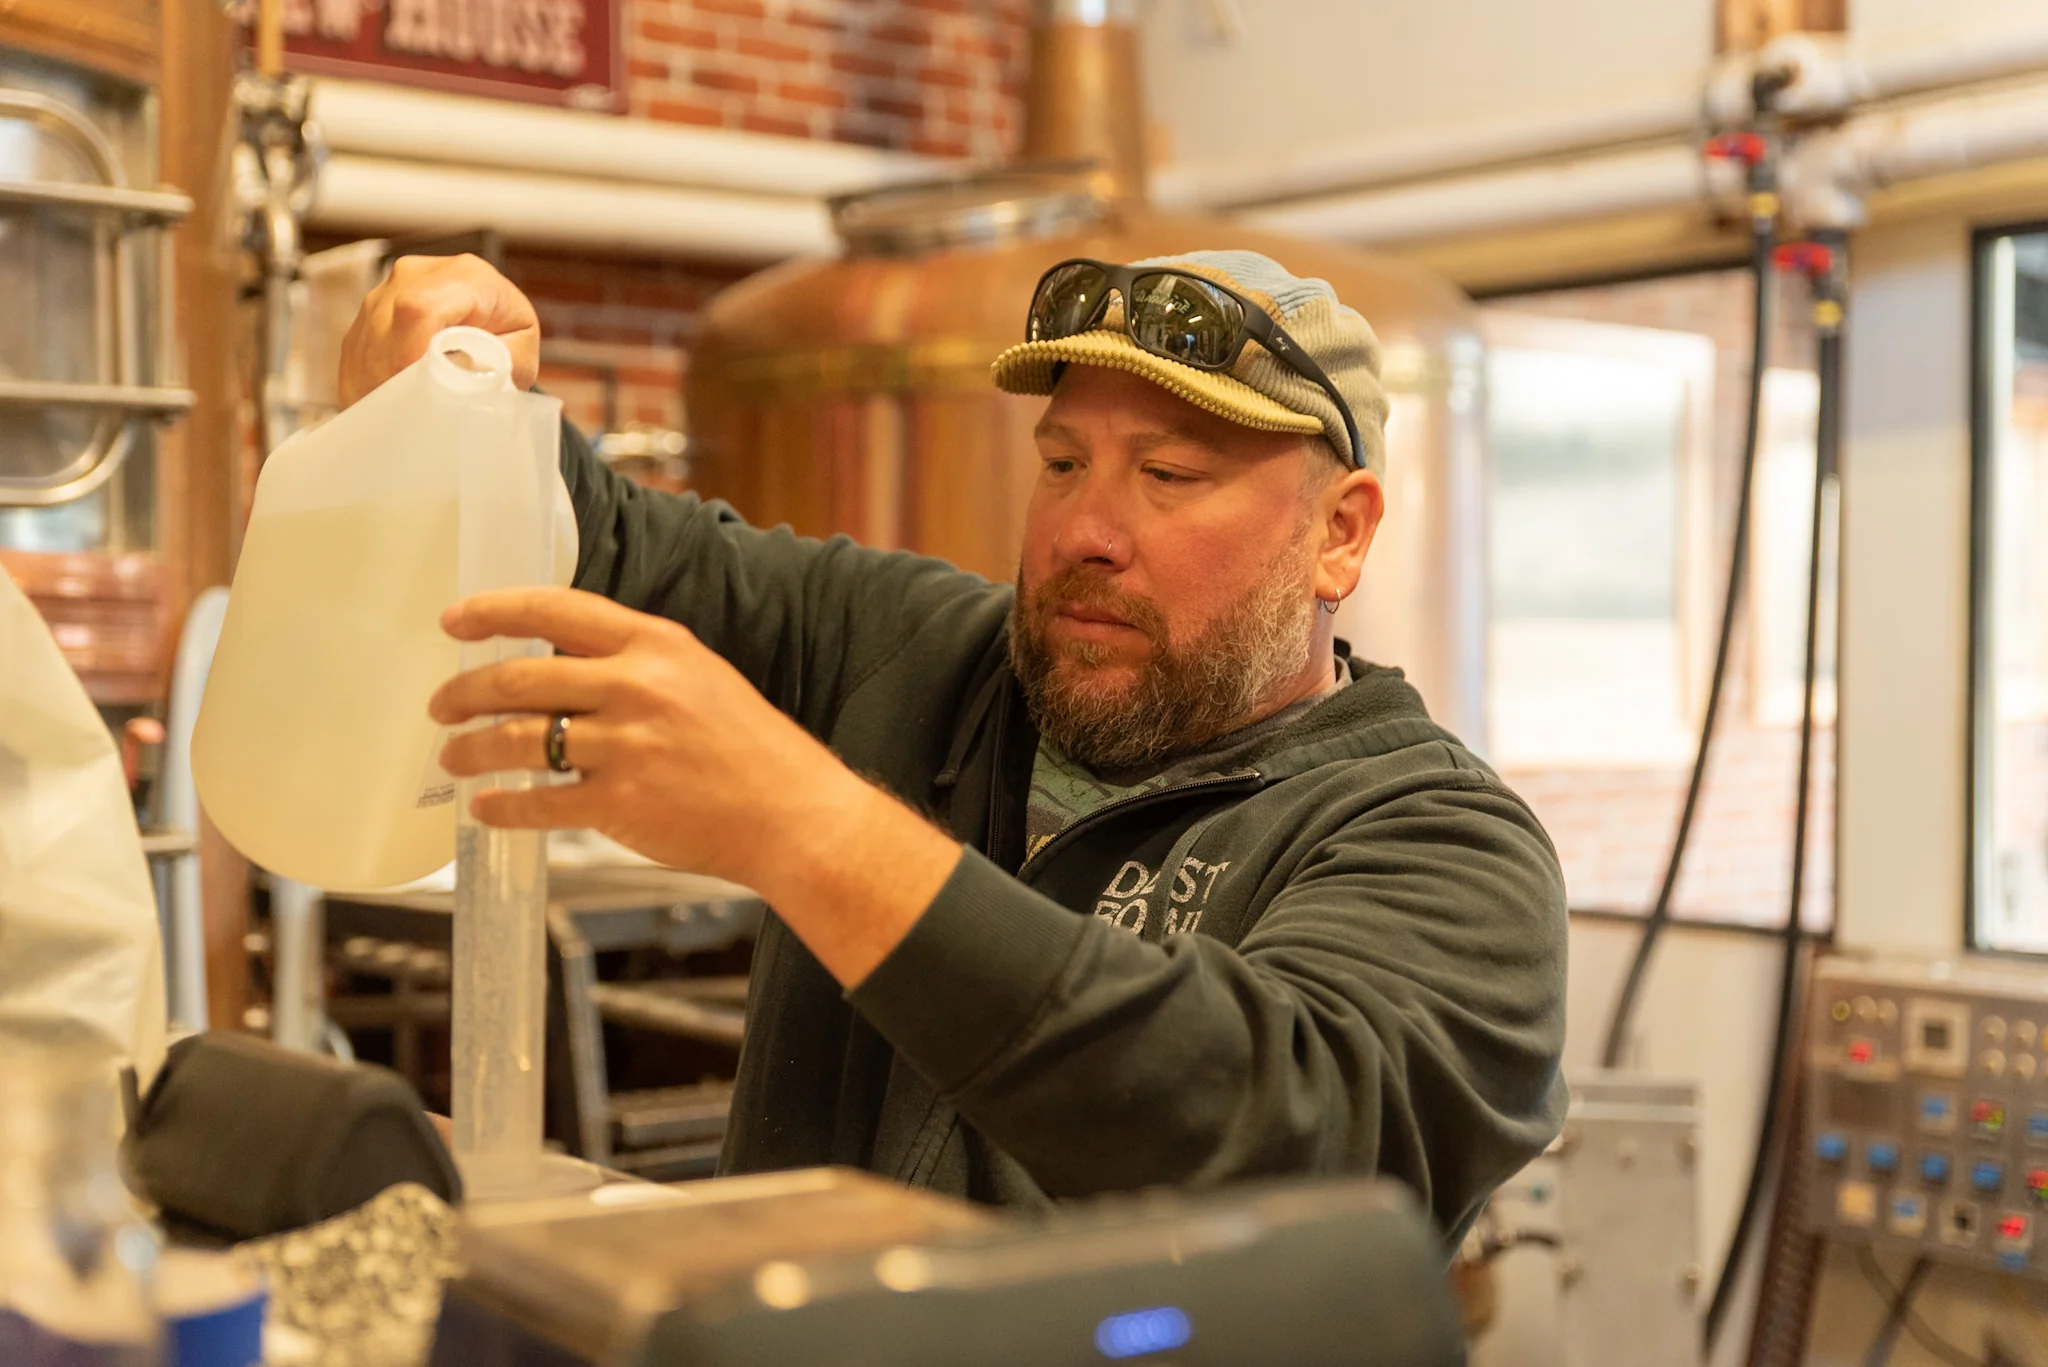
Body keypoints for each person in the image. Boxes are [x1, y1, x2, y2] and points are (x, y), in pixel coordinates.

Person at [338, 249, 1567, 1240]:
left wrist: (807, 824)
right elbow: (607, 544)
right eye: (1061, 462)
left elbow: (1280, 1128)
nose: (1087, 526)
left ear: (1338, 537)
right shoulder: (922, 657)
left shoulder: (1440, 845)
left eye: (1170, 474)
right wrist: (459, 399)